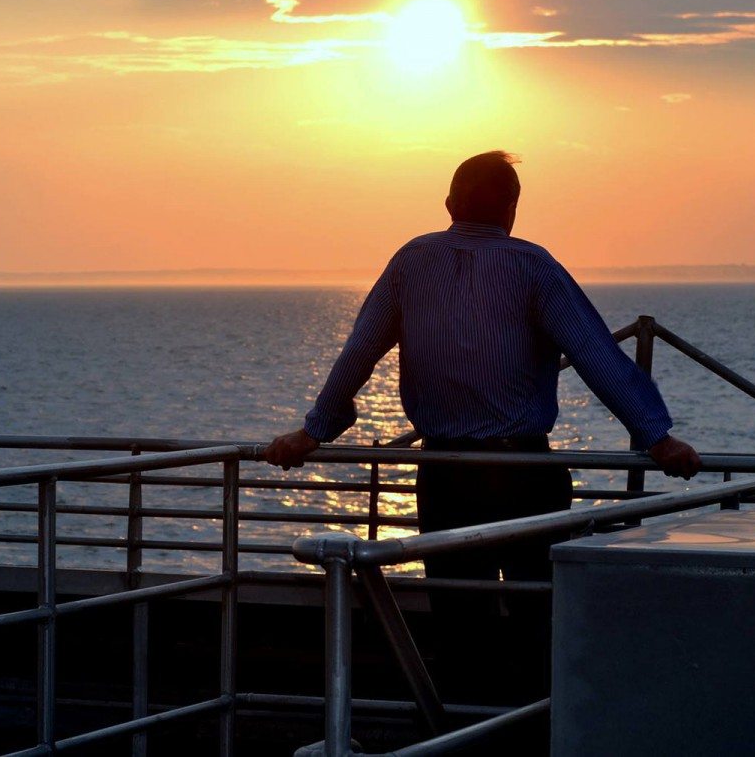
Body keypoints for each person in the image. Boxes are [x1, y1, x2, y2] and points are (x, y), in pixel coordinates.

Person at [261, 150, 700, 697]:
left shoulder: (411, 262)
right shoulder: (533, 266)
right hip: (525, 471)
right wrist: (655, 437)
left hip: (445, 473)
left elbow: (359, 352)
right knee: (538, 613)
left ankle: (468, 730)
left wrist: (314, 432)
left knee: (459, 618)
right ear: (512, 208)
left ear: (449, 203)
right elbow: (595, 356)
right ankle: (533, 727)